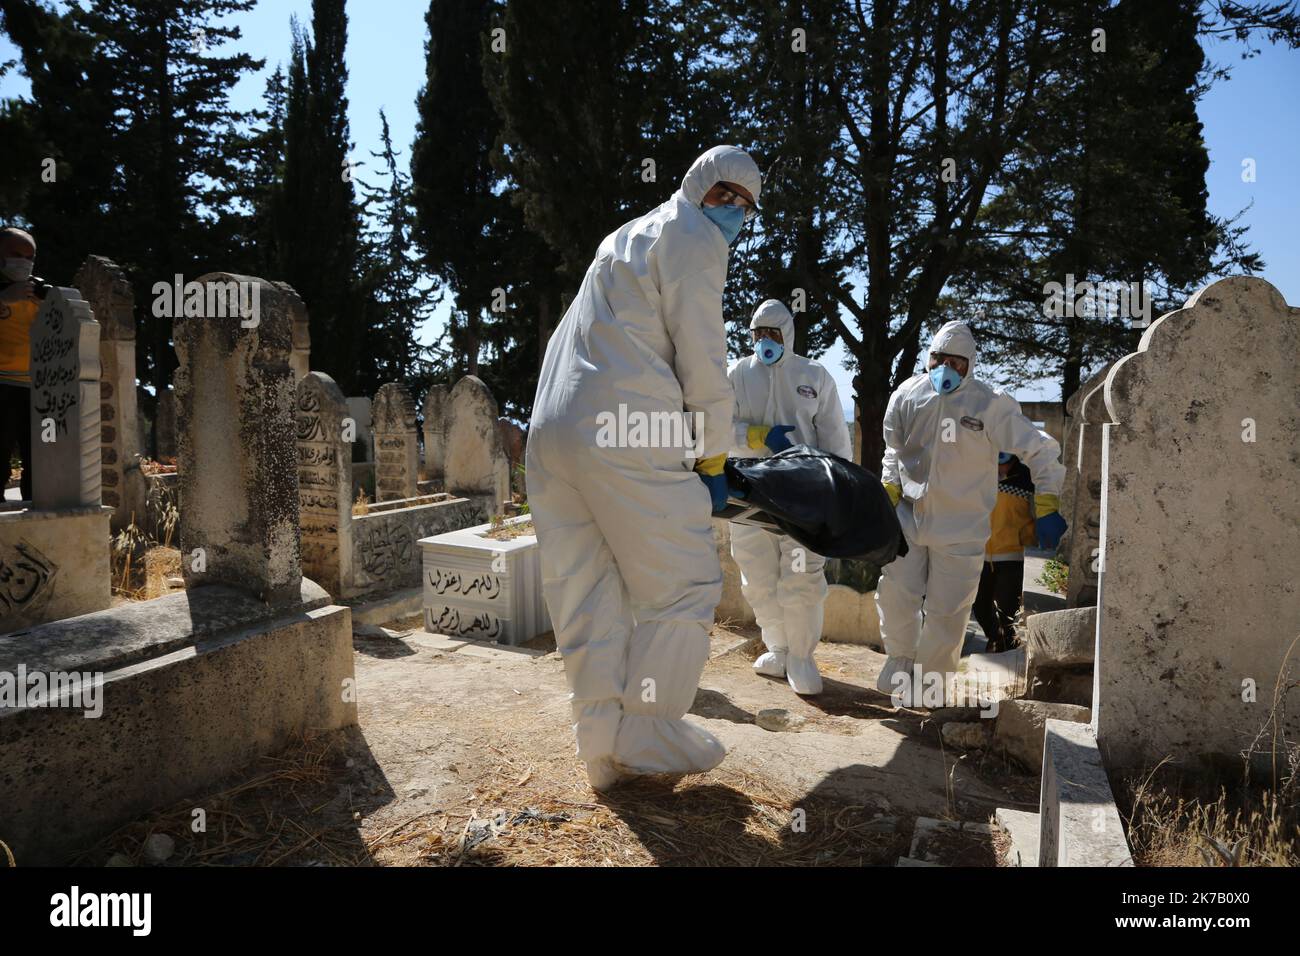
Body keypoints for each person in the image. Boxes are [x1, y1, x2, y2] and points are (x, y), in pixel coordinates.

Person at [527, 146, 761, 791]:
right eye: (725, 195)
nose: (734, 210)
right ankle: (648, 729)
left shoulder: (623, 238)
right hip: (629, 428)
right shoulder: (693, 238)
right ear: (696, 188)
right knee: (682, 586)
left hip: (554, 432)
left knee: (586, 589)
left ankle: (600, 749)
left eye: (746, 203)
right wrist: (714, 454)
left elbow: (573, 335)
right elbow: (704, 356)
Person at [875, 320, 1067, 707]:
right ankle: (900, 660)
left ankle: (929, 688)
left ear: (970, 364)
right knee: (896, 593)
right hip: (908, 517)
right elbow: (893, 449)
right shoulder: (908, 395)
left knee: (947, 611)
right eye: (939, 359)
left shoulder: (990, 404)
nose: (946, 368)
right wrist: (888, 492)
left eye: (957, 362)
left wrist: (1046, 504)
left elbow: (1041, 449)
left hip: (962, 527)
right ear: (929, 359)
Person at [727, 298, 852, 695]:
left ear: (788, 335)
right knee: (756, 575)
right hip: (749, 485)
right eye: (758, 333)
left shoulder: (813, 375)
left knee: (801, 576)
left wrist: (838, 491)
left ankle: (801, 656)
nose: (765, 341)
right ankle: (778, 647)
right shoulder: (736, 373)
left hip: (803, 489)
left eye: (773, 333)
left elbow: (835, 438)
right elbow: (713, 426)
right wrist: (756, 436)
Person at [0, 227, 47, 502]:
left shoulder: (36, 294)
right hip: (1, 385)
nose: (24, 262)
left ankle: (38, 520)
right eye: (15, 254)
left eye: (29, 257)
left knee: (40, 460)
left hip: (35, 388)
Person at [972, 452, 1036, 653]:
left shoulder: (1026, 478)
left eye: (1006, 462)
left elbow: (1037, 508)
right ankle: (995, 637)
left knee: (1008, 607)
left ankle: (1006, 644)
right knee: (979, 605)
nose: (1002, 467)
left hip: (1012, 553)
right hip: (979, 553)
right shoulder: (978, 473)